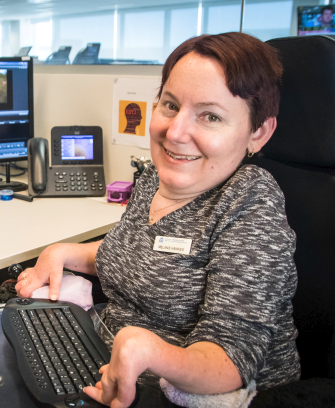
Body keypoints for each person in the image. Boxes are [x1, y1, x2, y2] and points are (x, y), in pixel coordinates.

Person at [16, 32, 300, 407]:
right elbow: (138, 254)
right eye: (170, 105)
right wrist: (65, 252)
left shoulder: (249, 200)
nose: (175, 132)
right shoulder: (155, 177)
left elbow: (232, 360)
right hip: (104, 362)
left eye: (210, 116)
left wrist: (148, 350)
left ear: (258, 133)